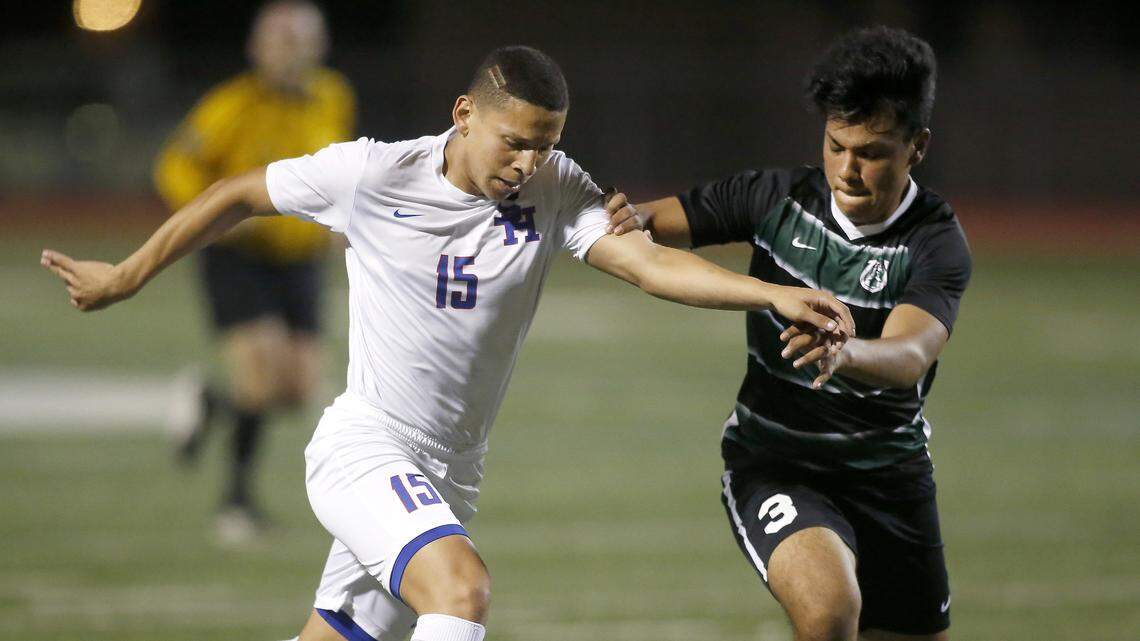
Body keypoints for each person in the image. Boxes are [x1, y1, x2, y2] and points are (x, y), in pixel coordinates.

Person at [42, 46, 854, 641]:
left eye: (546, 141)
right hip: (366, 449)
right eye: (514, 140)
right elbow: (239, 193)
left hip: (449, 473)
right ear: (464, 116)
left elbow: (645, 264)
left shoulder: (554, 184)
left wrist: (771, 291)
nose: (528, 160)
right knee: (461, 594)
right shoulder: (373, 175)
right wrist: (127, 275)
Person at [606, 26, 971, 641]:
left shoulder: (934, 242)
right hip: (777, 463)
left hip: (892, 477)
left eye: (873, 152)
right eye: (836, 145)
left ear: (918, 147)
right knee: (829, 612)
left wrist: (844, 351)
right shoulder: (774, 198)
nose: (848, 170)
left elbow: (911, 354)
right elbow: (650, 220)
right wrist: (628, 215)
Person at [153, 0, 355, 539]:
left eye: (301, 39)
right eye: (281, 39)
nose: (292, 50)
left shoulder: (333, 95)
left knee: (299, 388)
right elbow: (175, 165)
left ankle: (209, 403)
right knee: (262, 375)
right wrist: (216, 217)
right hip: (240, 257)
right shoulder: (232, 105)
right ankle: (236, 503)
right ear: (257, 48)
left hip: (301, 259)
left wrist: (344, 227)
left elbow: (339, 171)